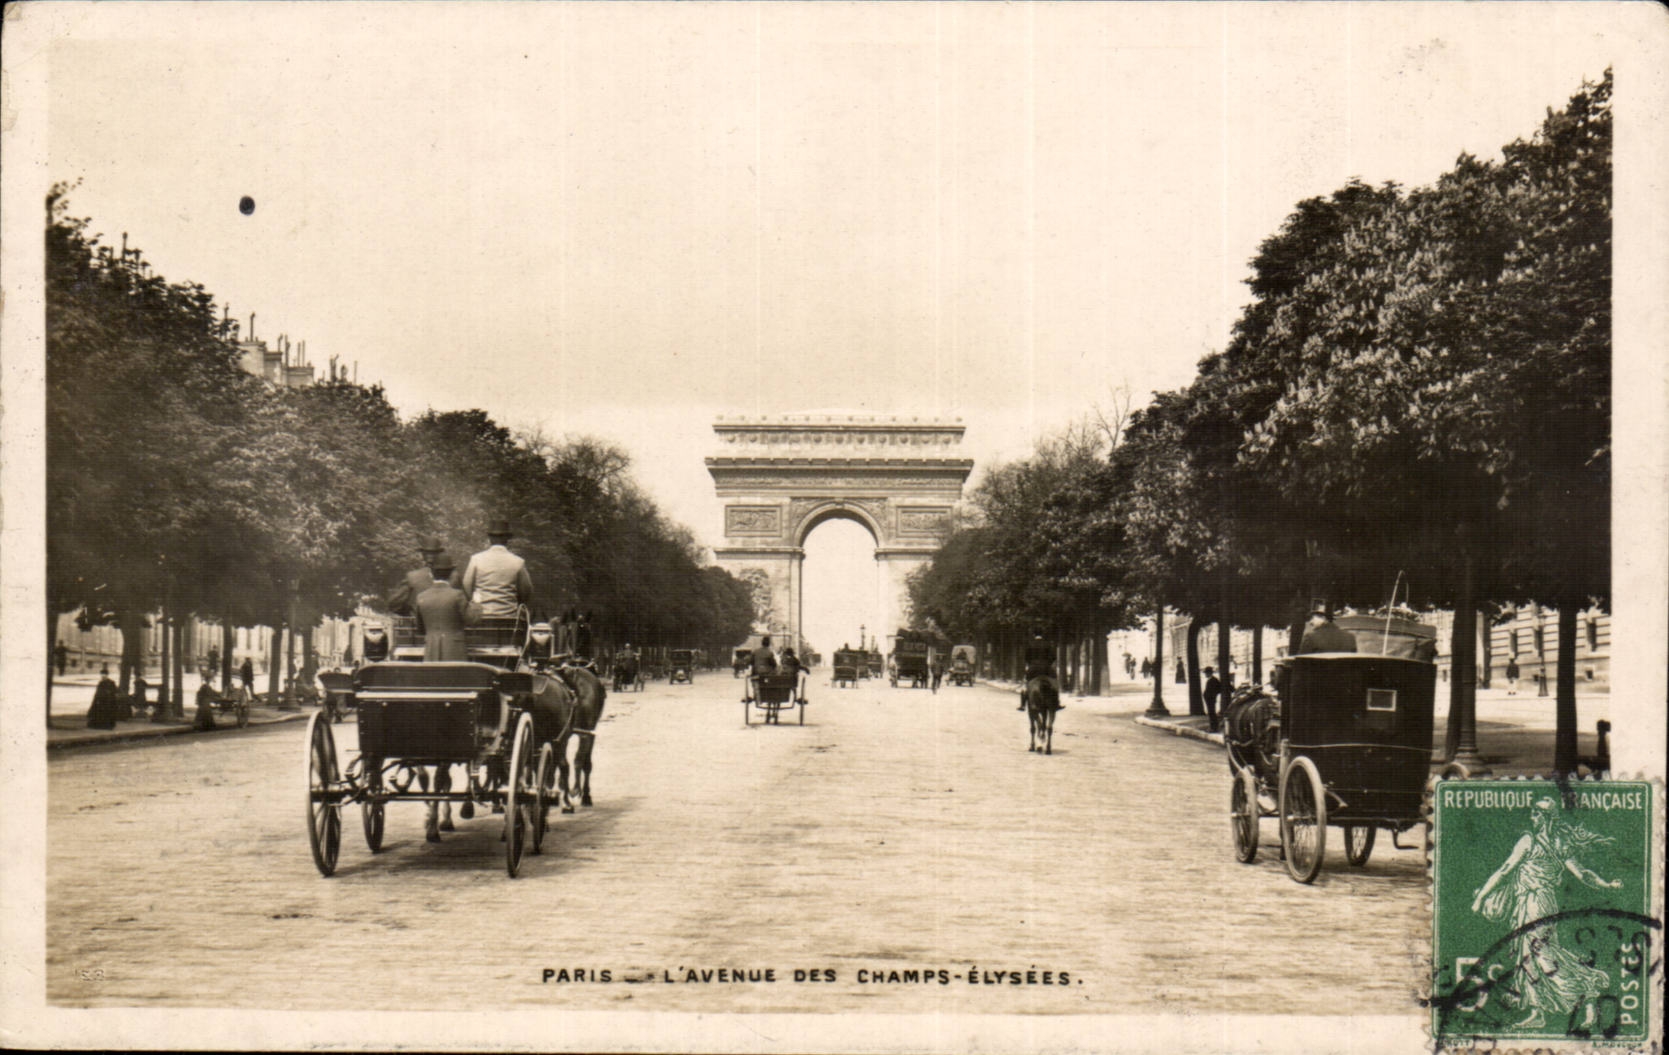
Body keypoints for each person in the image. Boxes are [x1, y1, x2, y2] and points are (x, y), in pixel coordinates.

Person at [414, 553, 482, 661]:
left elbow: (420, 629)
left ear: (431, 574)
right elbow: (473, 620)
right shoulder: (457, 595)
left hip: (431, 651)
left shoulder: (421, 597)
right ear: (451, 575)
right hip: (455, 651)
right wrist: (477, 604)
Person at [461, 520, 534, 620]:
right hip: (509, 617)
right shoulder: (518, 562)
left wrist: (474, 602)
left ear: (490, 538)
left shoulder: (476, 559)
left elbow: (466, 585)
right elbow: (526, 590)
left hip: (481, 617)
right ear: (507, 539)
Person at [387, 537, 453, 615]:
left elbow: (393, 603)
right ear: (440, 554)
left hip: (418, 624)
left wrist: (410, 612)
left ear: (423, 555)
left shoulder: (412, 577)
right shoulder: (454, 576)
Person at [1019, 630, 1062, 711]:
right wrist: (1048, 663)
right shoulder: (1048, 644)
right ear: (1043, 635)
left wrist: (1031, 663)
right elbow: (1053, 657)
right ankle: (1057, 703)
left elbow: (1026, 657)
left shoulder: (1030, 644)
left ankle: (1023, 704)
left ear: (1034, 634)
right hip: (1046, 668)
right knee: (1054, 684)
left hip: (1033, 668)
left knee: (1025, 685)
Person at [1202, 665, 1223, 732]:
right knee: (1211, 712)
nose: (1205, 674)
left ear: (1209, 673)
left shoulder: (1213, 680)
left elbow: (1218, 689)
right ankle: (1213, 727)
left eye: (1206, 673)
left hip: (1211, 699)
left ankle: (1214, 727)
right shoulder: (1211, 680)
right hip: (1209, 699)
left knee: (1212, 713)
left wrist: (1213, 695)